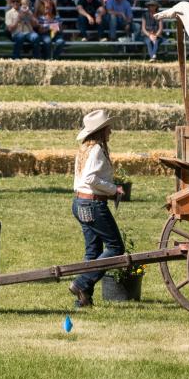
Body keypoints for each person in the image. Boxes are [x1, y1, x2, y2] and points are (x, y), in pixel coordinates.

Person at [67, 108, 125, 308]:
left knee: (93, 252)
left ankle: (83, 299)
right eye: (108, 128)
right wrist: (113, 189)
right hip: (92, 203)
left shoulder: (85, 147)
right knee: (116, 248)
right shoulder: (98, 149)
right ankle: (81, 283)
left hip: (80, 202)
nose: (111, 131)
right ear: (101, 130)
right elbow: (90, 178)